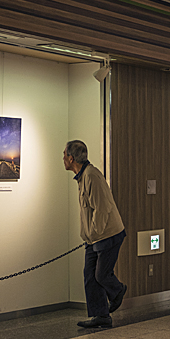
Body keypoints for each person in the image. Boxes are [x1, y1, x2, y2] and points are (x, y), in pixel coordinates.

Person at [63, 140, 127, 328]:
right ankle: (101, 315)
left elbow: (102, 208)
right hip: (93, 237)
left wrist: (94, 233)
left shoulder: (92, 176)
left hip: (107, 235)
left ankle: (118, 291)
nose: (63, 159)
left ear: (71, 158)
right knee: (90, 275)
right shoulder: (82, 177)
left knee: (101, 275)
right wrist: (90, 236)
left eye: (64, 155)